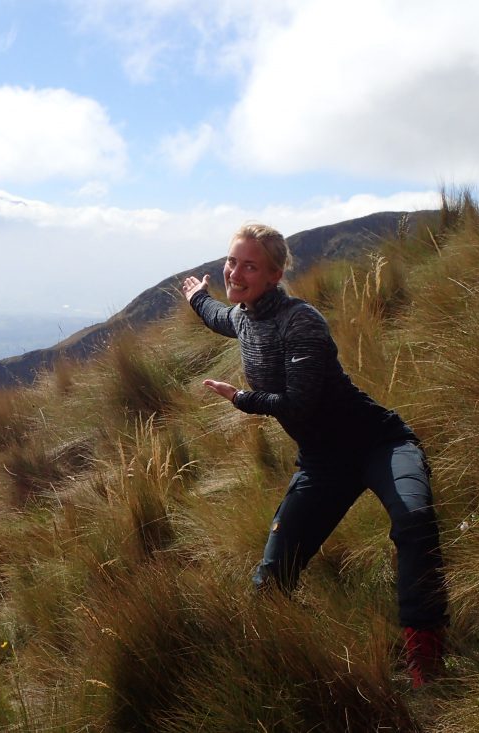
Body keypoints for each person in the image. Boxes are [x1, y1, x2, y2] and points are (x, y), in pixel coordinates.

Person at [180, 222, 448, 688]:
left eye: (249, 265)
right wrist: (197, 297)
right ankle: (275, 657)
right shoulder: (243, 315)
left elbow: (297, 403)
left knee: (414, 520)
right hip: (323, 463)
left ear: (274, 275)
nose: (234, 272)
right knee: (272, 578)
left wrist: (240, 398)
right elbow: (220, 316)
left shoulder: (300, 320)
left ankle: (425, 651)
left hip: (379, 442)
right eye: (231, 261)